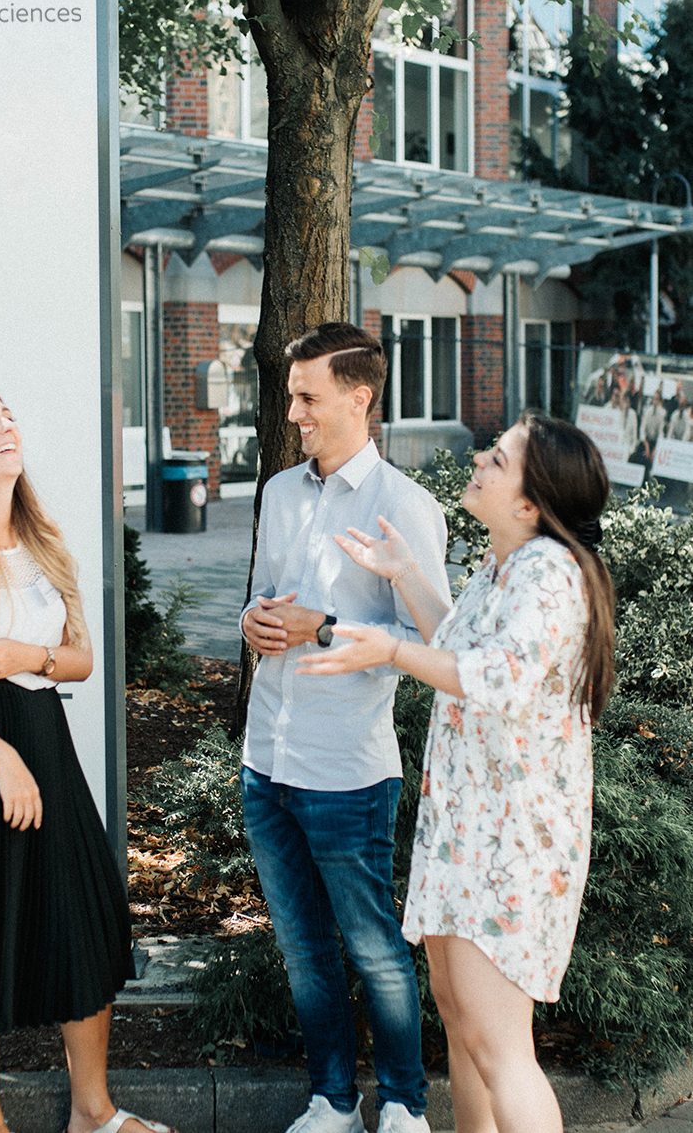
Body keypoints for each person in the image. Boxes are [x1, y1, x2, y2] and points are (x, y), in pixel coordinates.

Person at [298, 412, 616, 1133]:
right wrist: (405, 574)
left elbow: (492, 678)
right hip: (468, 832)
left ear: (531, 505)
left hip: (511, 844)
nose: (481, 459)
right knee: (468, 1032)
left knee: (500, 1047)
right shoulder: (505, 565)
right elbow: (454, 644)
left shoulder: (551, 574)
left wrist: (386, 650)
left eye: (499, 460)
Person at [0, 384, 174, 1133]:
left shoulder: (46, 539)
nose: (6, 426)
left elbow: (82, 660)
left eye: (9, 414)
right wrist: (1, 760)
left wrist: (33, 656)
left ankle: (93, 1113)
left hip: (44, 739)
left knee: (82, 917)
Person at [240, 323, 449, 1133]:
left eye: (307, 397)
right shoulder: (281, 492)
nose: (292, 412)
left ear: (358, 398)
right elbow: (264, 600)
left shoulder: (405, 508)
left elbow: (437, 647)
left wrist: (320, 628)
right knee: (304, 953)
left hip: (349, 770)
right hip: (267, 760)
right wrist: (258, 624)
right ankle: (332, 1101)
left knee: (374, 952)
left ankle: (403, 1106)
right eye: (292, 395)